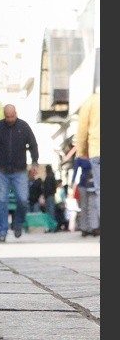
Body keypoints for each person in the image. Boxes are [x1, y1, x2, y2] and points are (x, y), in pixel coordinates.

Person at [0, 104, 39, 242]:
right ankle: (2, 231)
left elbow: (33, 145)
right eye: (7, 117)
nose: (10, 119)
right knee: (1, 201)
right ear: (4, 115)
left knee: (23, 200)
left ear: (16, 113)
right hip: (1, 171)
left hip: (20, 171)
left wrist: (35, 162)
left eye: (12, 116)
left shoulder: (24, 127)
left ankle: (18, 223)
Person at [75, 90, 99, 235]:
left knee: (99, 194)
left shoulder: (91, 101)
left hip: (98, 151)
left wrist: (82, 151)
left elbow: (82, 130)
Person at [71, 156, 98, 236]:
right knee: (84, 206)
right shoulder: (79, 159)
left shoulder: (95, 155)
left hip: (94, 184)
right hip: (83, 184)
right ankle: (84, 228)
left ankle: (94, 227)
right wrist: (72, 183)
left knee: (93, 206)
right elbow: (75, 171)